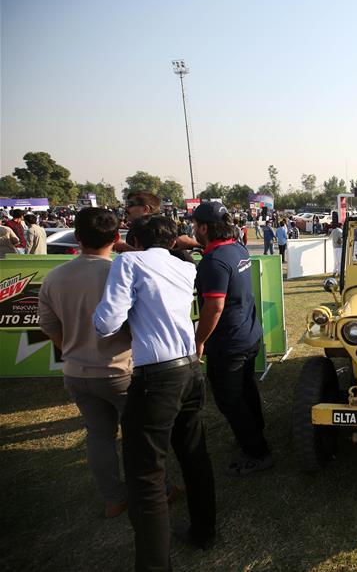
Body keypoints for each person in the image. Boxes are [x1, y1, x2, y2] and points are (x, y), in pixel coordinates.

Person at [94, 216, 217, 567]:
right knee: (194, 454)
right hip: (190, 368)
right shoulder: (184, 267)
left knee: (146, 476)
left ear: (133, 240)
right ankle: (204, 530)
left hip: (157, 377)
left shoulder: (129, 261)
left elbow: (106, 323)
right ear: (174, 240)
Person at [38, 208, 134, 518]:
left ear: (77, 237)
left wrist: (73, 348)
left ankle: (113, 498)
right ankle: (155, 490)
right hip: (121, 371)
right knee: (139, 433)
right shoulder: (121, 274)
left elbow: (50, 328)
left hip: (77, 372)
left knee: (99, 435)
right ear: (116, 237)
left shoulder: (54, 277)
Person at [191, 201, 272, 475]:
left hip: (229, 343)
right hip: (248, 335)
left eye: (195, 226)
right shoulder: (236, 248)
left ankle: (257, 451)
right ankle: (255, 432)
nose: (193, 229)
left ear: (203, 227)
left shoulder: (213, 262)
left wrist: (199, 340)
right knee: (246, 389)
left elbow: (214, 307)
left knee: (230, 401)